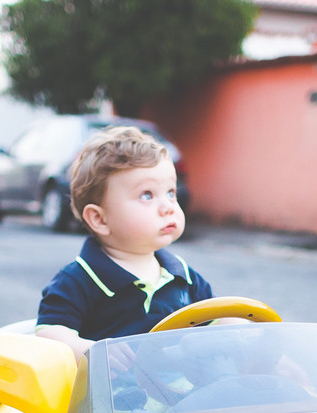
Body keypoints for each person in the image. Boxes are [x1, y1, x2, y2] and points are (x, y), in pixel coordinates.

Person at [36, 126, 214, 358]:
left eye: (170, 192)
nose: (168, 207)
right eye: (147, 195)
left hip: (180, 391)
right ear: (100, 219)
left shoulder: (183, 277)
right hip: (111, 392)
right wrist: (91, 351)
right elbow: (49, 335)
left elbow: (214, 323)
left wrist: (240, 330)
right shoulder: (78, 281)